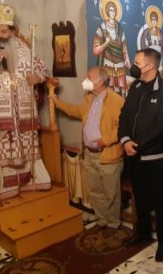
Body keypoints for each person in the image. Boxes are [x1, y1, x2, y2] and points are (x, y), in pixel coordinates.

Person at [0, 2, 51, 200]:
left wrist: (37, 78)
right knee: (4, 150)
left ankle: (33, 180)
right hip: (1, 112)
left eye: (4, 31)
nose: (0, 35)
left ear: (12, 31)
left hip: (24, 110)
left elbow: (43, 69)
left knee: (28, 145)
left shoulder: (24, 49)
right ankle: (5, 187)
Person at [118, 48, 163, 262]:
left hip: (155, 158)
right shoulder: (136, 87)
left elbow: (162, 126)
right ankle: (142, 233)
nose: (132, 66)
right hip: (133, 155)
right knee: (140, 198)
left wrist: (138, 145)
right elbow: (124, 116)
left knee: (160, 202)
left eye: (137, 62)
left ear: (150, 66)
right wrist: (125, 140)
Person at [52, 67, 124, 237]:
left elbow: (122, 127)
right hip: (89, 154)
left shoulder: (117, 101)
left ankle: (113, 223)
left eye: (89, 77)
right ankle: (101, 220)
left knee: (111, 193)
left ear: (100, 82)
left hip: (107, 155)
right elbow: (77, 112)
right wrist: (58, 103)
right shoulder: (89, 98)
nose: (85, 80)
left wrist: (105, 140)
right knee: (95, 191)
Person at [93, 0, 131, 95]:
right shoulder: (102, 27)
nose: (112, 12)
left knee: (122, 91)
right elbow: (95, 51)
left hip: (120, 64)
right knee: (109, 90)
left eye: (114, 10)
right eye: (110, 10)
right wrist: (106, 43)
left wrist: (128, 64)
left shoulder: (119, 28)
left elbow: (124, 49)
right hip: (108, 63)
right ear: (107, 12)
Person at [138, 8, 163, 79]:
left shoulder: (160, 33)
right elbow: (145, 49)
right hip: (150, 60)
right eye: (152, 20)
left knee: (158, 78)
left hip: (159, 60)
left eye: (155, 20)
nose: (154, 22)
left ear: (157, 21)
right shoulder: (148, 33)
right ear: (151, 21)